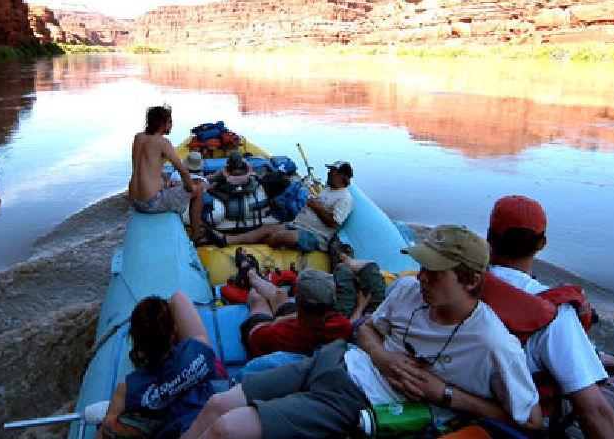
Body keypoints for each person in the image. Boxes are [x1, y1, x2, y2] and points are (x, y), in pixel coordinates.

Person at [181, 225, 542, 439]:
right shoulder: (408, 291)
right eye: (421, 267)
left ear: (470, 281)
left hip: (358, 402)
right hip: (334, 360)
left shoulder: (492, 344)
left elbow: (533, 420)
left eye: (434, 272)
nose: (421, 278)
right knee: (216, 403)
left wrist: (447, 395)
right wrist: (384, 358)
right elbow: (366, 329)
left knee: (228, 429)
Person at [483, 194, 614, 438]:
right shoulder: (550, 312)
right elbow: (594, 411)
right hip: (546, 414)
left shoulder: (458, 286)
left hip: (489, 395)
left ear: (489, 236)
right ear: (542, 243)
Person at [99, 292, 224, 439]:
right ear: (173, 332)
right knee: (178, 298)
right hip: (207, 396)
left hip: (177, 424)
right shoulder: (198, 347)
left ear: (138, 344)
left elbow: (107, 426)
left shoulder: (128, 388)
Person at [205, 160, 354, 252]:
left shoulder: (345, 198)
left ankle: (260, 247)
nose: (328, 174)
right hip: (298, 225)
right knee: (266, 228)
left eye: (332, 172)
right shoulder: (329, 190)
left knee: (278, 236)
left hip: (315, 237)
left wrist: (314, 206)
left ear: (341, 176)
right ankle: (228, 240)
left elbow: (334, 223)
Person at [241, 264, 365, 358]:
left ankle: (250, 276)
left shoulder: (280, 334)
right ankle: (254, 277)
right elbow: (348, 325)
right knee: (280, 293)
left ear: (297, 300)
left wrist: (277, 321)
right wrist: (360, 307)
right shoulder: (340, 325)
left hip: (262, 333)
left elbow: (255, 338)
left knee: (257, 298)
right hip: (301, 325)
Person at [128, 105, 206, 243]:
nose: (171, 125)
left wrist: (165, 181)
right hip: (150, 202)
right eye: (170, 122)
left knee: (175, 183)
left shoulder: (138, 138)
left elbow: (146, 169)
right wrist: (190, 189)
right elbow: (183, 171)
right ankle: (196, 235)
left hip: (134, 199)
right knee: (197, 190)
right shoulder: (163, 142)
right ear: (162, 124)